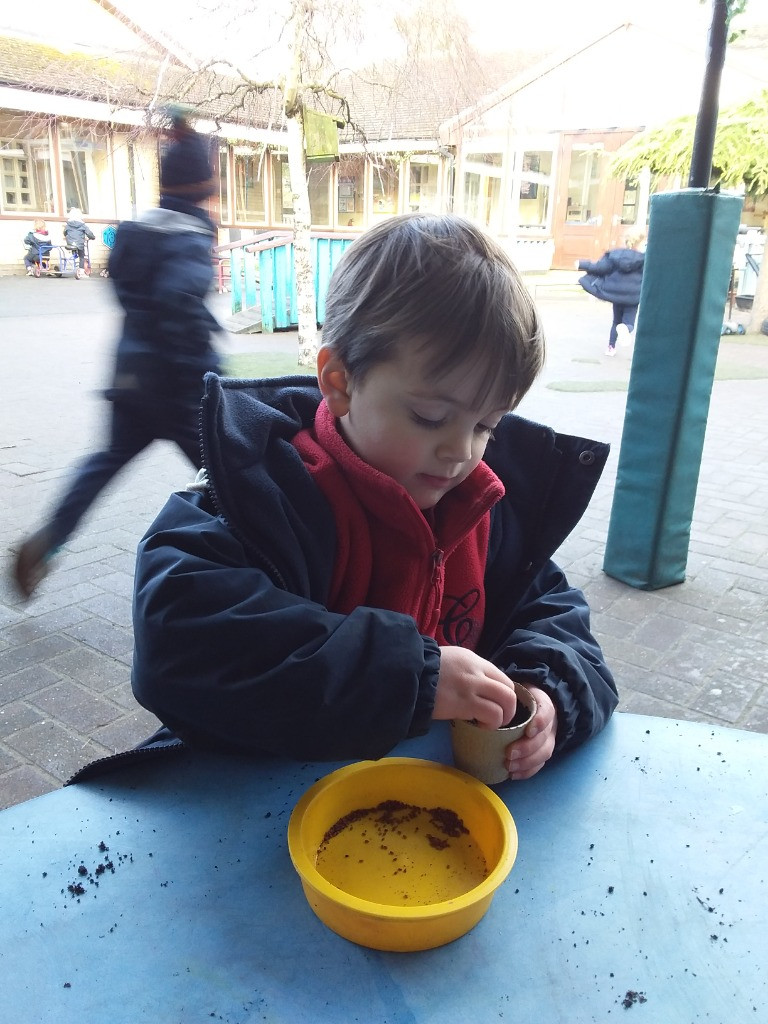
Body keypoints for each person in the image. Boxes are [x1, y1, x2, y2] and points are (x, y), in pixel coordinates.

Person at [129, 213, 618, 782]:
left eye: (487, 424)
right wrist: (413, 676)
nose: (462, 452)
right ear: (339, 383)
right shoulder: (265, 495)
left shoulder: (486, 512)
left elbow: (559, 619)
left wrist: (548, 694)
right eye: (430, 417)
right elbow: (180, 636)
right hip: (259, 803)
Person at [12, 111, 222, 600]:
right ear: (201, 188)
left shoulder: (139, 231)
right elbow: (179, 305)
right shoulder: (189, 237)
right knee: (228, 473)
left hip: (130, 378)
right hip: (180, 390)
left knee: (103, 463)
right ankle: (257, 566)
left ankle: (47, 544)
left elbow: (132, 294)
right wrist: (209, 379)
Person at [578, 234, 645, 356]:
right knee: (628, 322)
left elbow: (601, 267)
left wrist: (582, 264)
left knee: (616, 321)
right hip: (633, 295)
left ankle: (610, 347)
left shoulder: (616, 255)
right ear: (640, 243)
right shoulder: (645, 258)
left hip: (615, 294)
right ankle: (626, 328)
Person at [63, 208, 96, 279]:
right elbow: (89, 233)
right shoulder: (82, 225)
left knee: (74, 251)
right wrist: (92, 237)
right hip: (79, 244)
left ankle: (72, 257)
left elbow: (64, 233)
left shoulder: (68, 225)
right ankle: (81, 271)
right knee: (82, 256)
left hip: (70, 244)